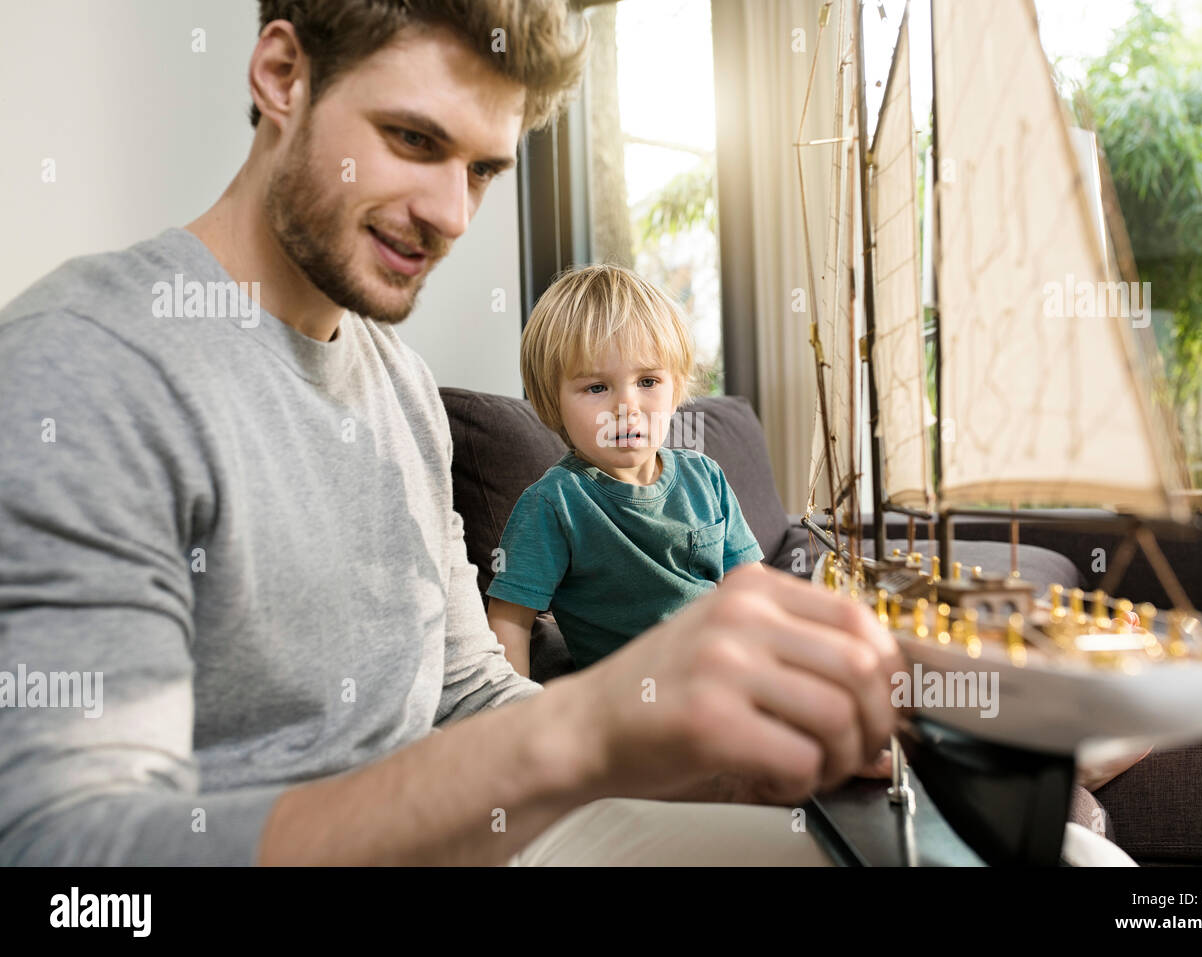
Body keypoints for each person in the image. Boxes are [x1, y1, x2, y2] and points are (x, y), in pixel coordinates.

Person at [0, 0, 1131, 866]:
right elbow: (71, 865)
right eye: (410, 139)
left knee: (1030, 852)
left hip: (493, 834)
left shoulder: (394, 378)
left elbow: (464, 693)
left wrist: (744, 757)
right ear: (282, 75)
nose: (449, 212)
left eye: (484, 168)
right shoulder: (93, 363)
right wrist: (578, 733)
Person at [486, 264, 764, 677]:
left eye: (648, 381)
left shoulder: (705, 478)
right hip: (633, 707)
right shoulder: (555, 503)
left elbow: (753, 590)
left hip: (728, 675)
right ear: (551, 400)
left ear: (676, 390)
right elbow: (510, 620)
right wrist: (515, 720)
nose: (627, 407)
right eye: (597, 387)